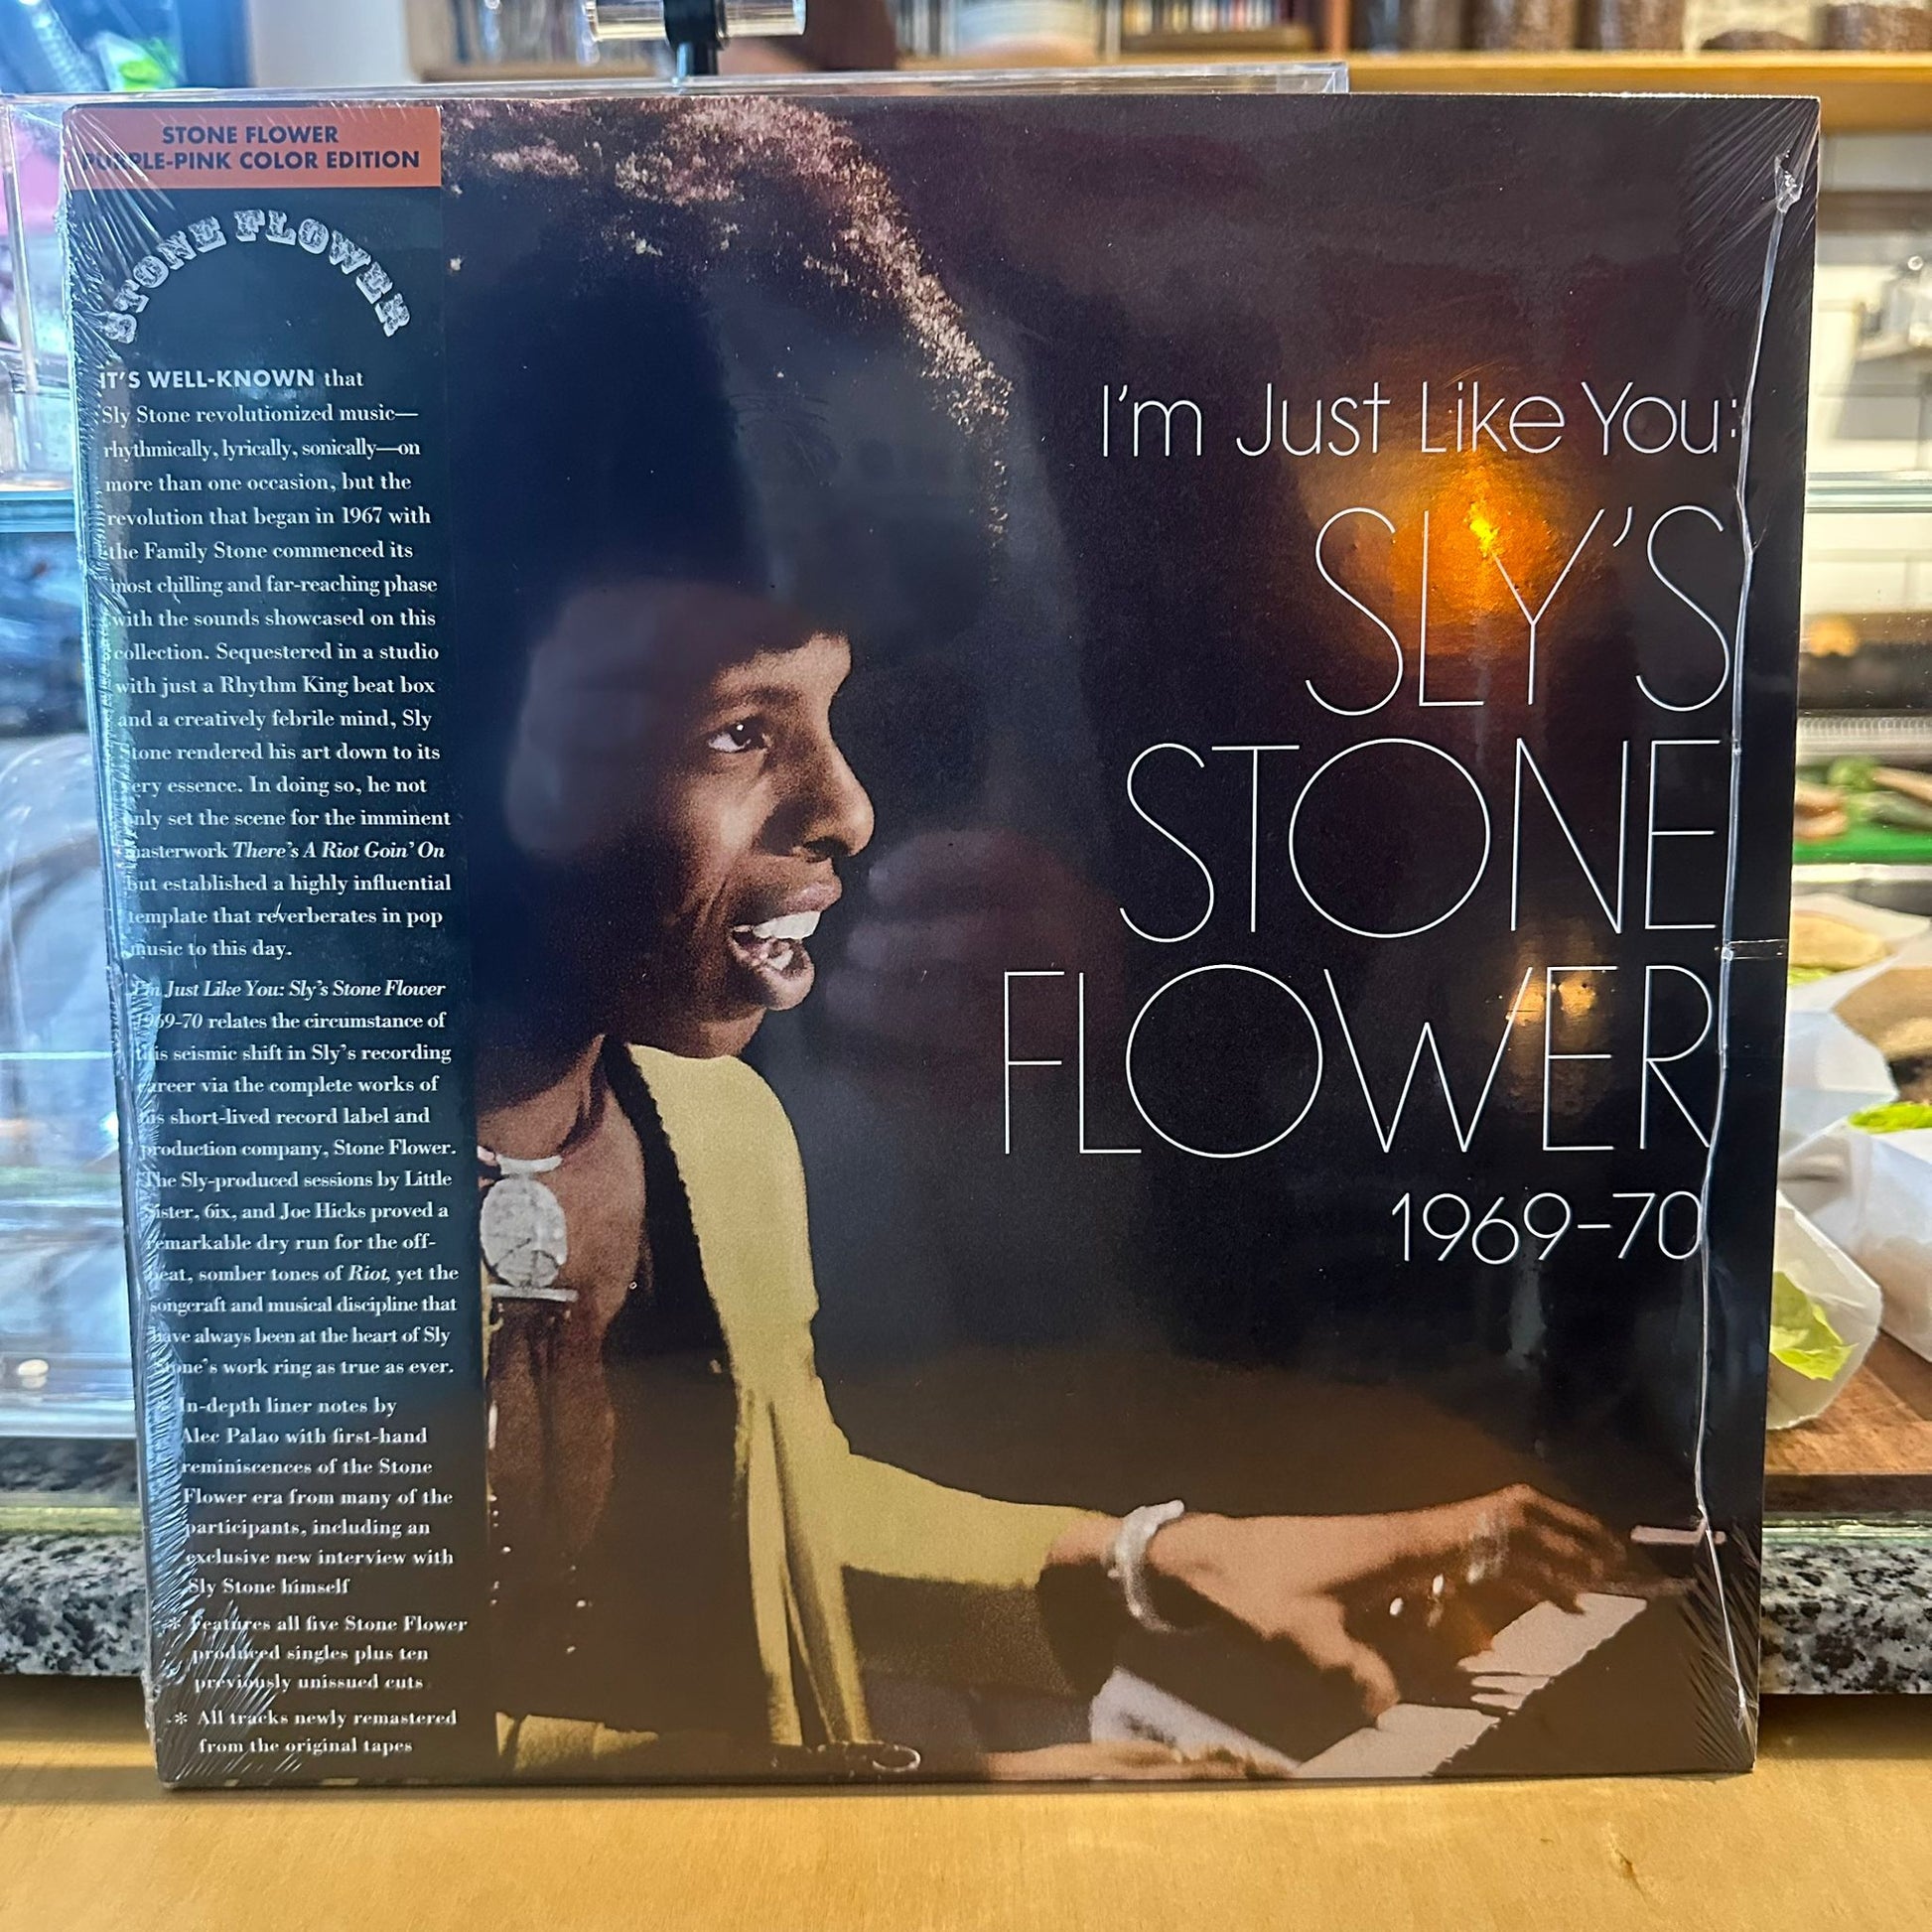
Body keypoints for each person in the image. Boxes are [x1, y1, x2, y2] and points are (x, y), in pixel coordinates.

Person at [445, 99, 1624, 1780]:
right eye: (737, 728)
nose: (855, 811)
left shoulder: (714, 1133)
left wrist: (1150, 1561)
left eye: (839, 708)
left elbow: (773, 1512)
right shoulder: (299, 1195)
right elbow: (336, 1711)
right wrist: (939, 1784)